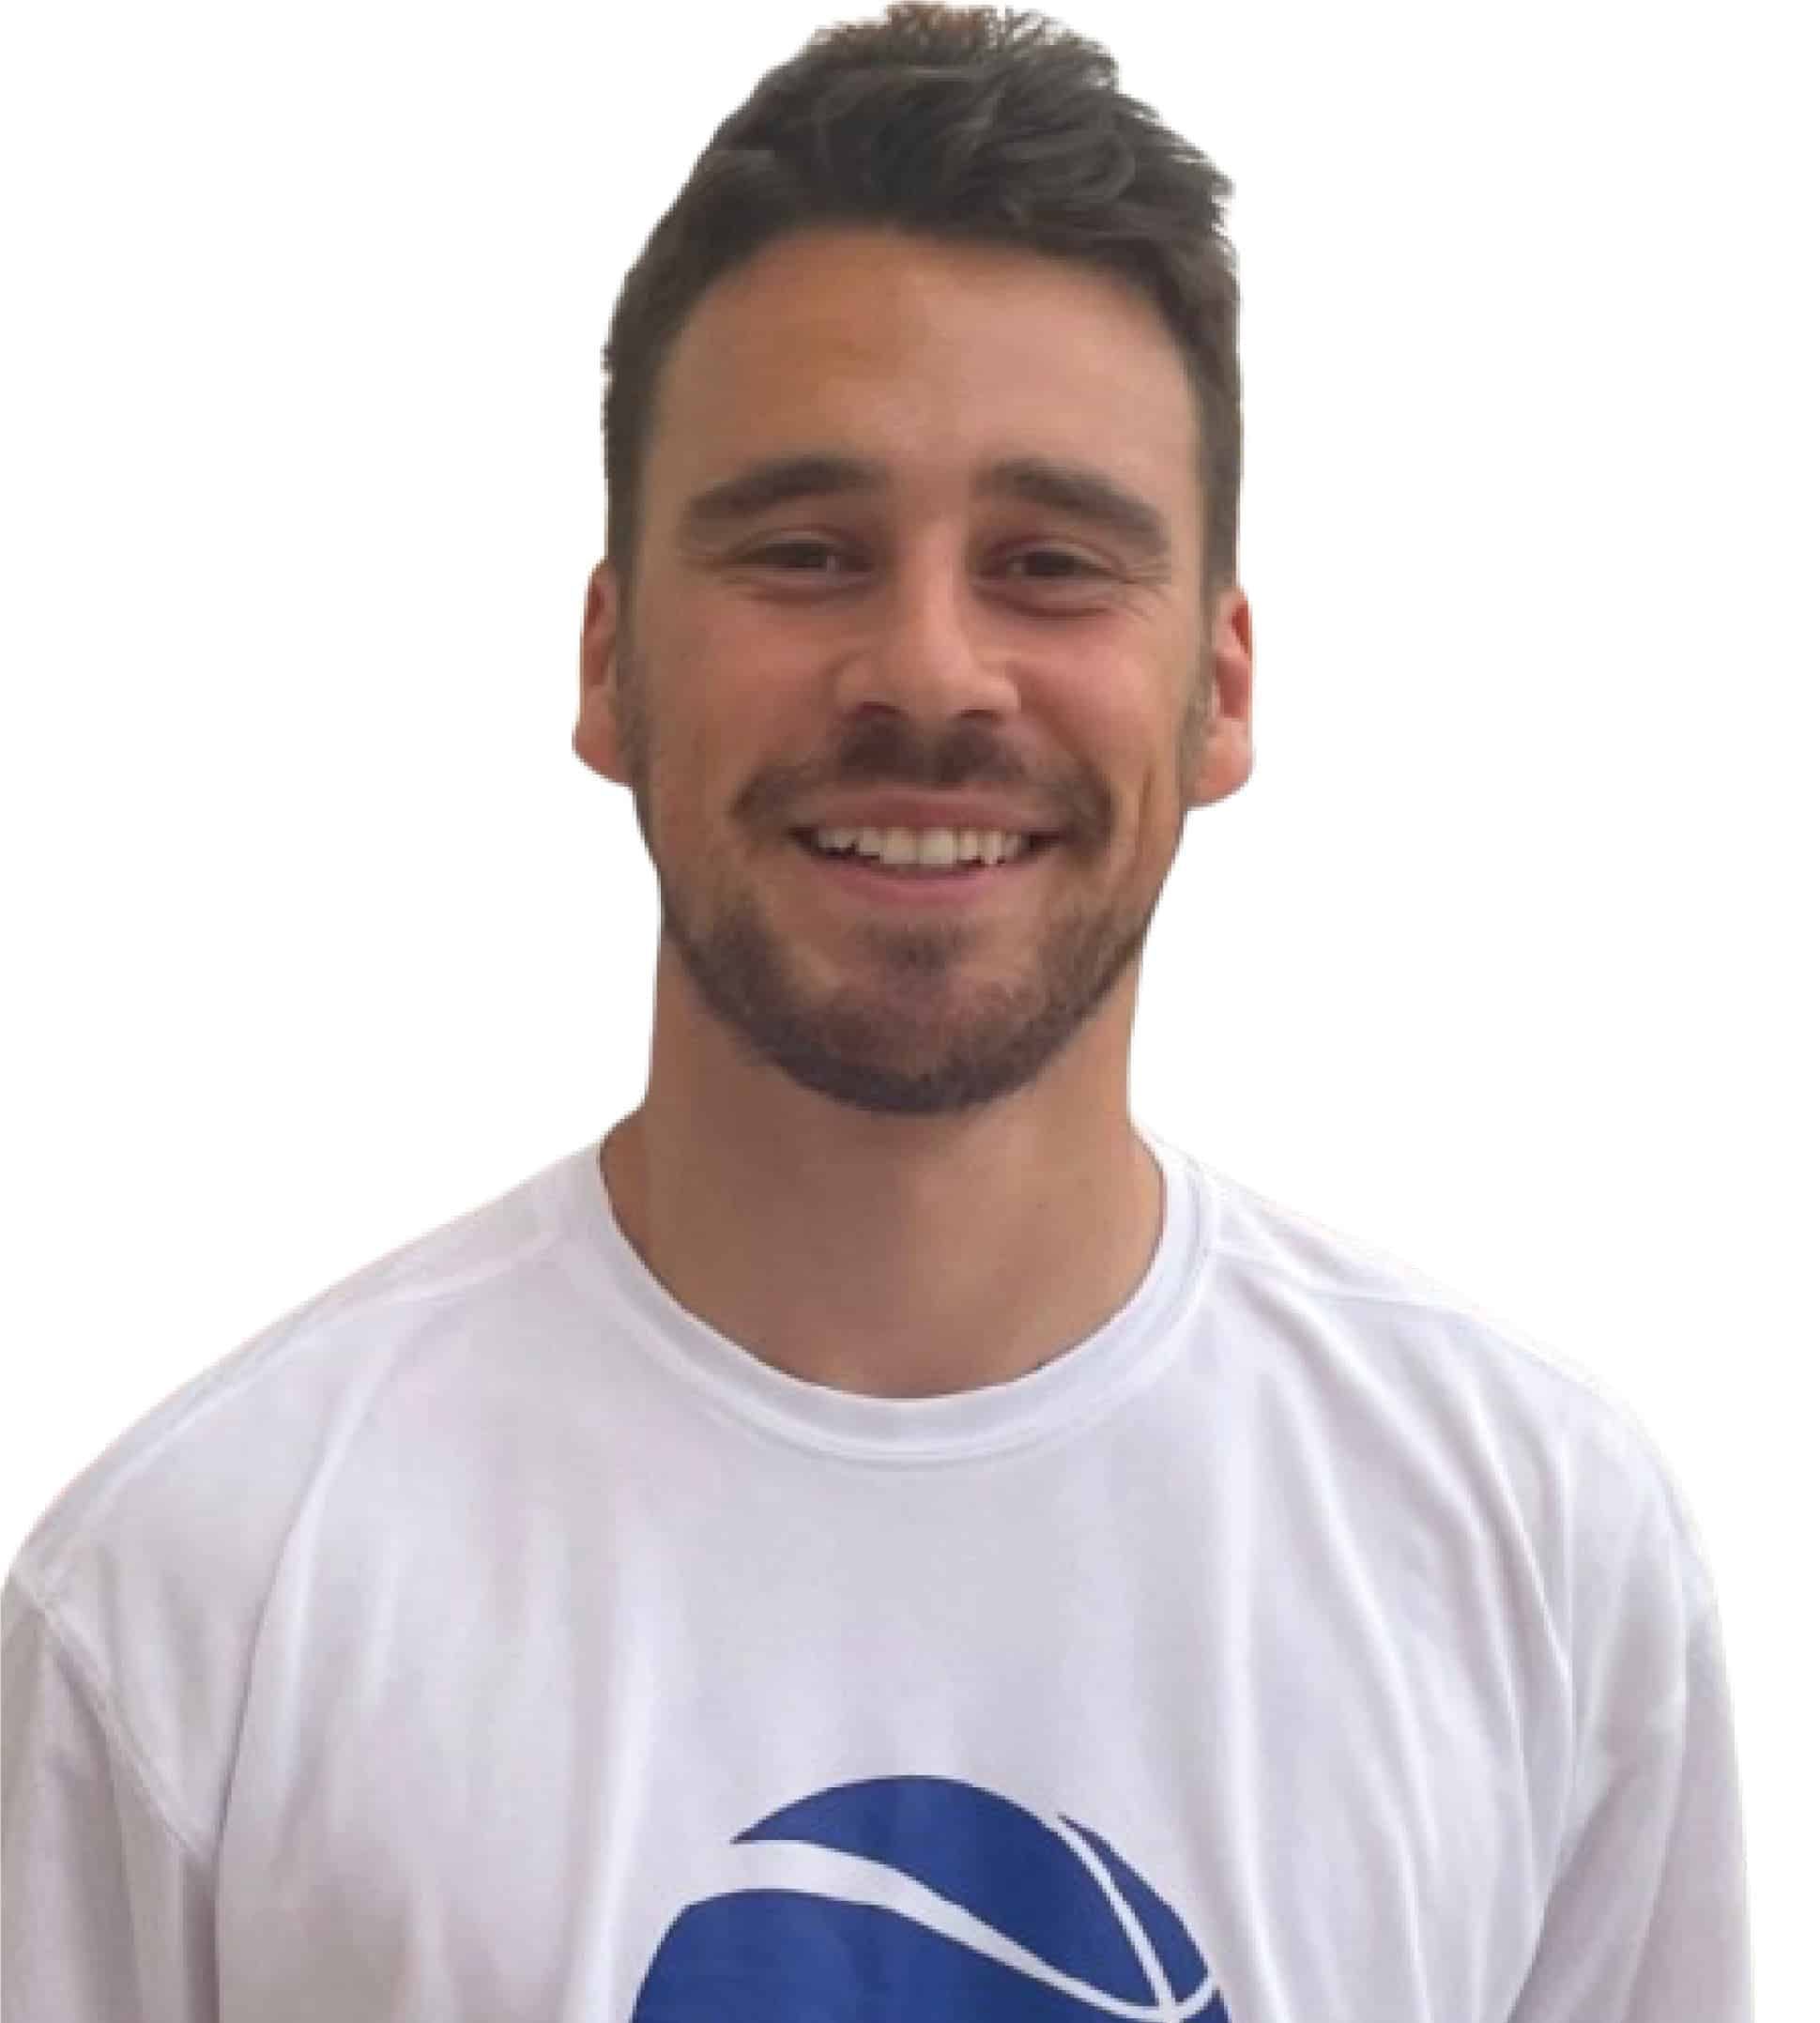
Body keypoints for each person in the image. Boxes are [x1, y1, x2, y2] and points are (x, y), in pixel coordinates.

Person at [2, 5, 1751, 2017]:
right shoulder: (196, 1601)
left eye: (1050, 563)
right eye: (807, 552)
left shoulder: (1537, 1553)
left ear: (1221, 687)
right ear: (608, 660)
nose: (928, 671)